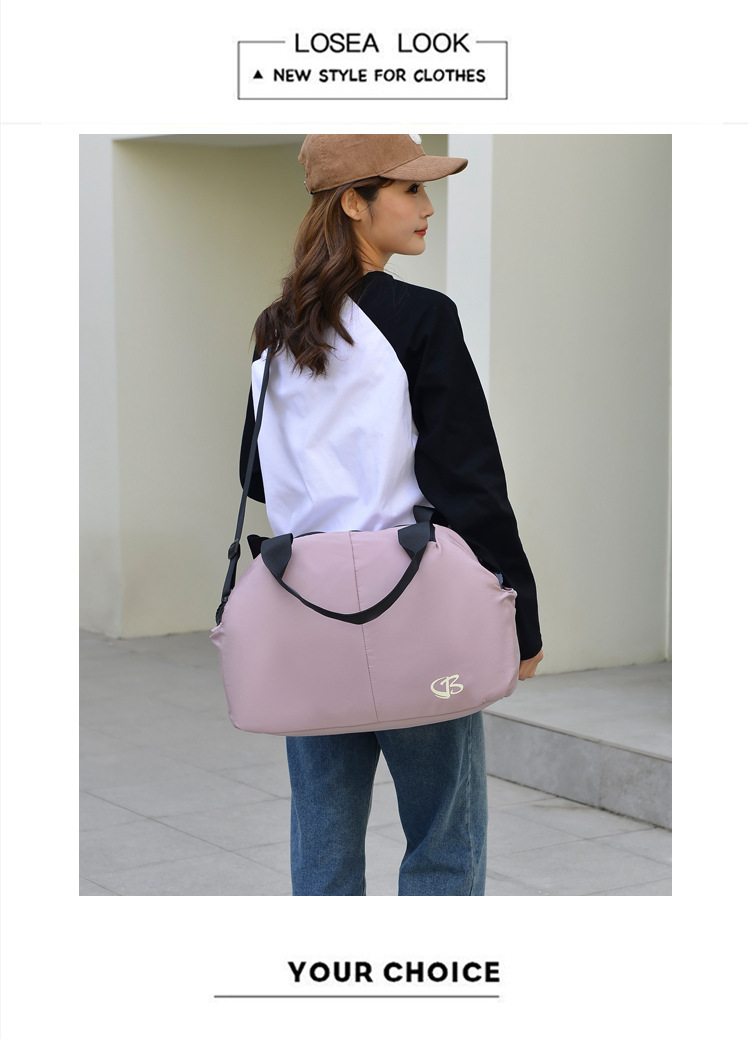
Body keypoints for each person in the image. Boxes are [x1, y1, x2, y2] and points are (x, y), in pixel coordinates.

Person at [238, 134, 543, 896]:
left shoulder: (276, 329)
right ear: (354, 201)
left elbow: (253, 473)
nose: (427, 205)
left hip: (305, 606)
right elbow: (469, 482)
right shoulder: (422, 317)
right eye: (410, 189)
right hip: (414, 603)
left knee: (323, 847)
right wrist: (522, 614)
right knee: (442, 838)